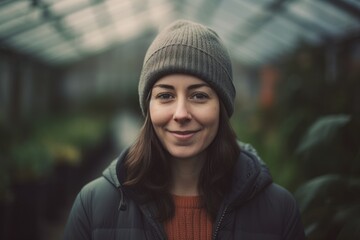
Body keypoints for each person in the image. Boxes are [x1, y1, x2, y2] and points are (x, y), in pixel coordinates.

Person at [63, 19, 305, 240]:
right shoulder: (94, 205)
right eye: (165, 95)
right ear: (148, 107)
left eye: (199, 96)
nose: (180, 114)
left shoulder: (279, 209)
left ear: (222, 107)